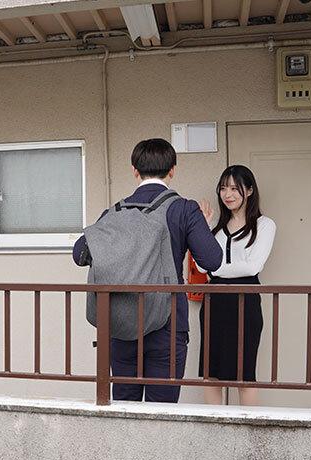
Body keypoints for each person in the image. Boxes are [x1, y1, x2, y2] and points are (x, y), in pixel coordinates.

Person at [73, 139, 223, 402]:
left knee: (124, 404)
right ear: (172, 170)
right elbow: (212, 260)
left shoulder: (114, 212)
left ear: (135, 170)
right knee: (161, 409)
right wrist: (203, 226)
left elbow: (79, 254)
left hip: (121, 321)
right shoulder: (184, 209)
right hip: (168, 322)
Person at [197, 165, 276, 405]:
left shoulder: (264, 225)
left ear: (249, 190)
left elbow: (253, 267)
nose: (227, 194)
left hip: (245, 302)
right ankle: (214, 425)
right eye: (223, 188)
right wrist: (203, 228)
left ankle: (248, 427)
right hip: (214, 303)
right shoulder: (215, 228)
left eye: (234, 188)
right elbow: (200, 266)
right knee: (210, 374)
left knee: (245, 374)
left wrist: (215, 269)